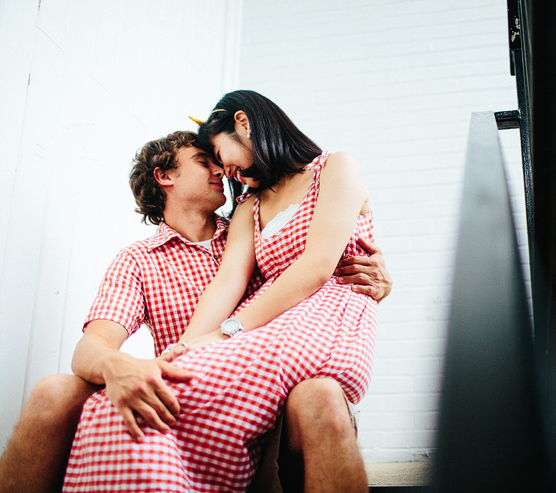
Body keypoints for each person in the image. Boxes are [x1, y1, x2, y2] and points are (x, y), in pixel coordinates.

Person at [0, 128, 391, 492]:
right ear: (164, 176)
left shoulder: (261, 233)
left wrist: (376, 275)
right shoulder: (137, 261)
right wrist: (117, 366)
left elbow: (319, 269)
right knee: (53, 391)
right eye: (204, 162)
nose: (221, 169)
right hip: (184, 402)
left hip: (270, 399)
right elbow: (91, 347)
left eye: (218, 161)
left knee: (320, 393)